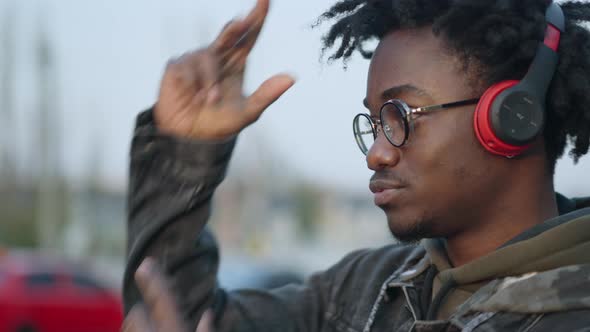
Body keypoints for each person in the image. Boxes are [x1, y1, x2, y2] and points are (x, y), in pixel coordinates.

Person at [121, 0, 590, 331]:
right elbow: (179, 315)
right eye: (373, 122)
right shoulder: (362, 290)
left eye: (401, 116)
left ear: (513, 117)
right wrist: (183, 154)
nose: (376, 153)